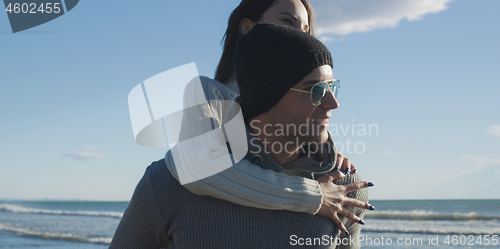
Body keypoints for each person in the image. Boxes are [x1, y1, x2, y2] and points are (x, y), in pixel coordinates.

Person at [111, 24, 371, 249]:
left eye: (332, 87)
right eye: (316, 90)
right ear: (268, 94)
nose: (333, 103)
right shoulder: (167, 184)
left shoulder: (345, 190)